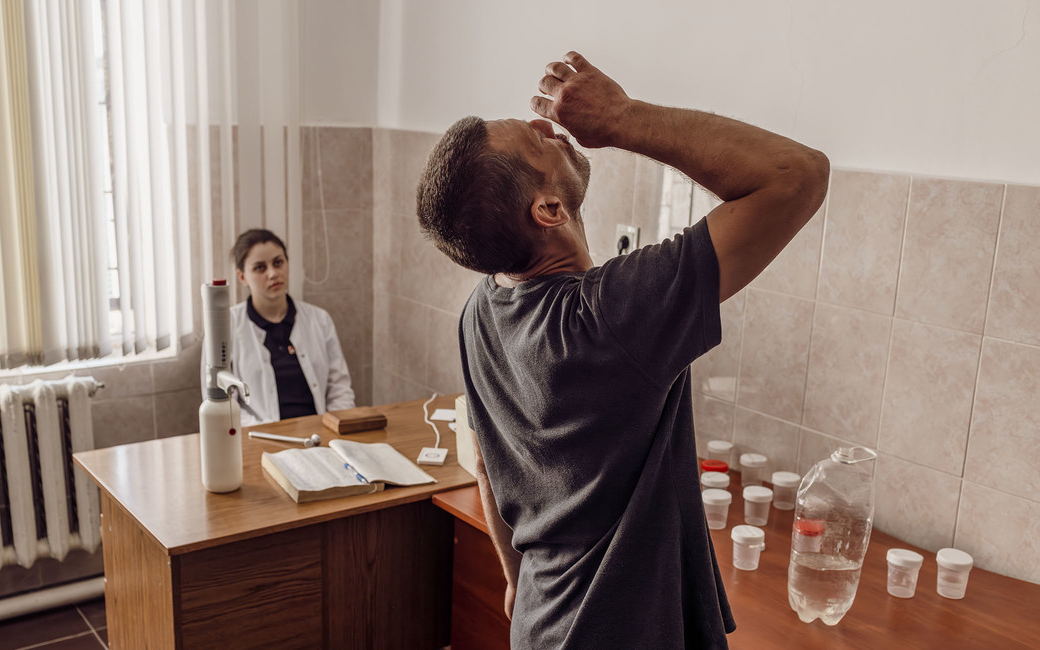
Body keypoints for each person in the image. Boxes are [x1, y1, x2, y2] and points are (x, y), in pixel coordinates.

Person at [416, 51, 829, 649]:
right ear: (549, 210)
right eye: (533, 138)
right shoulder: (611, 315)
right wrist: (620, 118)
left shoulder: (481, 309)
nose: (543, 125)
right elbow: (798, 175)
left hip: (540, 623)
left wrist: (517, 583)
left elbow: (484, 460)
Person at [224, 228, 355, 425]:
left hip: (321, 436)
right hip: (259, 438)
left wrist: (336, 429)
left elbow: (339, 389)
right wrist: (269, 434)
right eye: (260, 268)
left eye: (278, 263)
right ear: (242, 277)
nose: (273, 273)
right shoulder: (227, 327)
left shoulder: (319, 319)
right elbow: (224, 406)